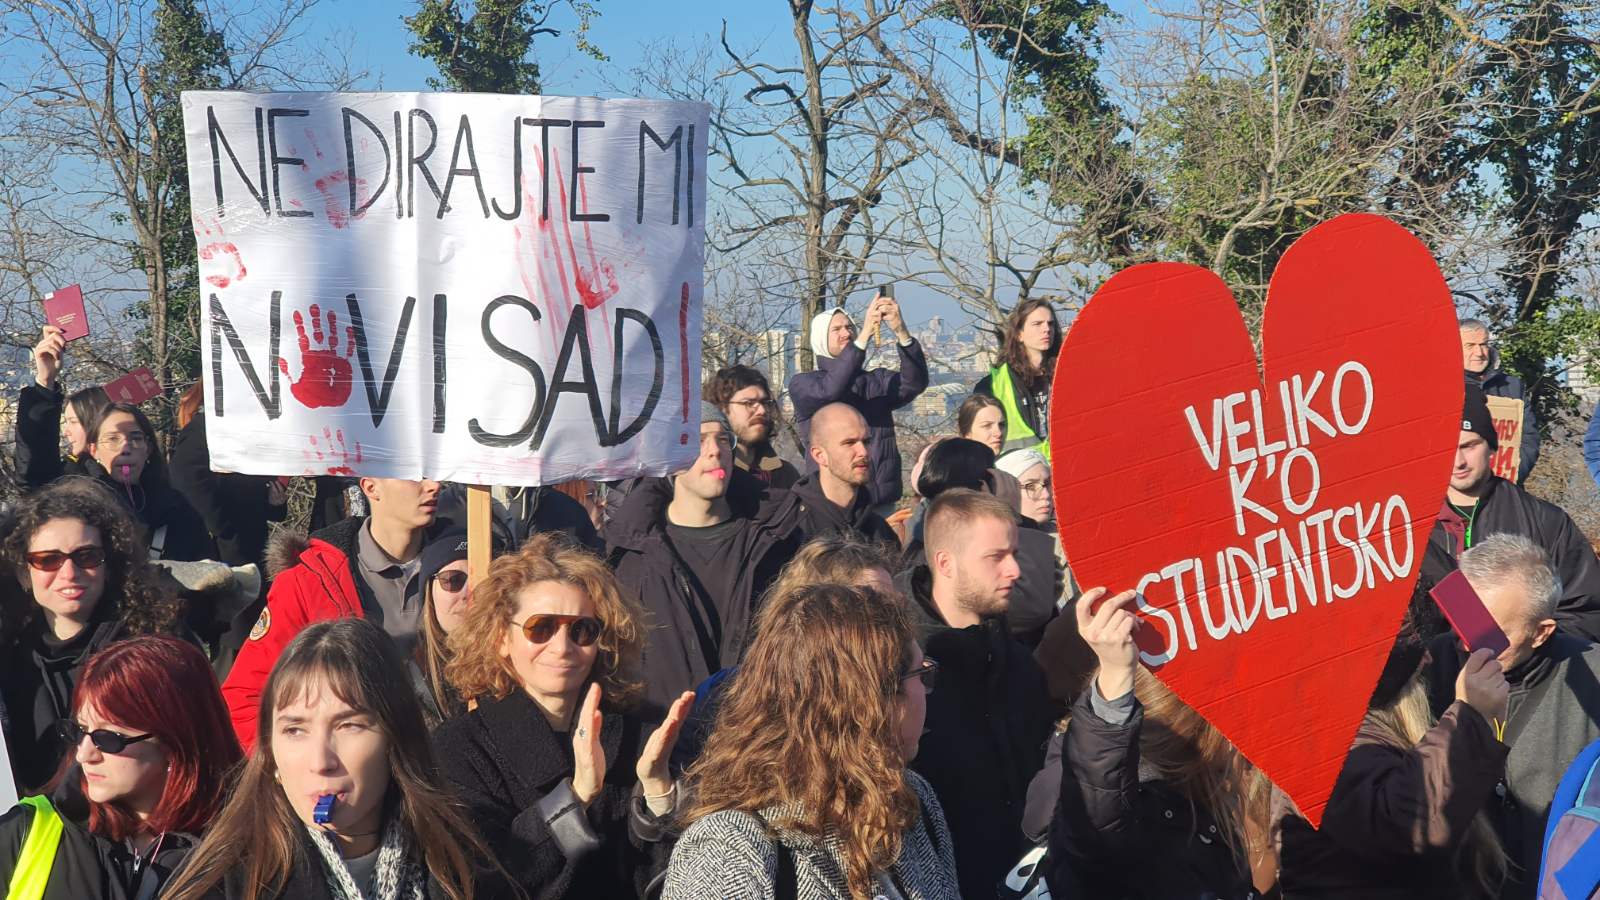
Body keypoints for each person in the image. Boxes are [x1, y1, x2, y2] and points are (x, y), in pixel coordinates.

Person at [162, 618, 500, 900]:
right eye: (295, 730)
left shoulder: (464, 866)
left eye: (349, 725)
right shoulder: (221, 884)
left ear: (396, 738)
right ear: (271, 754)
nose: (320, 761)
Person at [432, 534, 691, 898]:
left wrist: (660, 798)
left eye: (582, 630)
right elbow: (480, 882)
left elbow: (670, 880)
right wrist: (575, 797)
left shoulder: (641, 740)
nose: (563, 646)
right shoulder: (459, 748)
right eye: (542, 628)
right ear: (501, 639)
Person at [663, 582, 958, 899]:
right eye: (919, 674)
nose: (927, 690)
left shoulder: (909, 799)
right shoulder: (727, 850)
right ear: (869, 700)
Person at [1036, 589, 1275, 898]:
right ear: (1197, 727)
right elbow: (1096, 813)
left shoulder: (1197, 801)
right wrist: (1115, 676)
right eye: (1236, 717)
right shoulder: (1131, 811)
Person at [1276, 587, 1511, 898]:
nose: (1428, 657)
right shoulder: (1333, 750)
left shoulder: (1343, 730)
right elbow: (1410, 827)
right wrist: (1470, 718)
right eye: (1412, 647)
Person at [894, 489, 1060, 899]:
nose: (1015, 571)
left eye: (1014, 554)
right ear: (945, 563)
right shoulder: (900, 676)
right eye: (995, 557)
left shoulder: (1018, 664)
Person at [1423, 534, 1600, 899]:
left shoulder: (1593, 675)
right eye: (1461, 621)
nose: (1466, 644)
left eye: (1491, 633)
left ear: (1541, 632)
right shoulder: (1426, 669)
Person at [0, 635, 242, 899]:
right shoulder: (28, 830)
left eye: (109, 739)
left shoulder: (249, 851)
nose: (84, 755)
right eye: (80, 731)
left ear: (176, 743)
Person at [605, 403, 802, 720]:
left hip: (759, 745)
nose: (715, 451)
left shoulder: (777, 542)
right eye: (695, 440)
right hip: (660, 750)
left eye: (723, 439)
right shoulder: (632, 556)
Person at [223, 476, 445, 747]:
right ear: (371, 487)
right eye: (414, 477)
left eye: (433, 475)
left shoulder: (470, 569)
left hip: (451, 773)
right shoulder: (309, 580)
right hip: (345, 777)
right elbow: (245, 696)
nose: (434, 486)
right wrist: (289, 771)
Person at [0, 478, 184, 792]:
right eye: (48, 560)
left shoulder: (153, 649)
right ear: (23, 572)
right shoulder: (10, 656)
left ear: (109, 565)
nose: (69, 573)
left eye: (86, 557)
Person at [670, 533, 902, 772]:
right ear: (816, 610)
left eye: (893, 604)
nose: (892, 619)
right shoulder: (728, 697)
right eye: (872, 606)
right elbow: (695, 790)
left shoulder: (904, 689)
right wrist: (660, 795)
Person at [1422, 385, 1600, 642]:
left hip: (1524, 678)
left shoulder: (1546, 521)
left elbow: (1587, 610)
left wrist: (1528, 648)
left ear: (1491, 447)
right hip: (1438, 677)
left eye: (1469, 446)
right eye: (1447, 448)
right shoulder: (1412, 530)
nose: (1458, 461)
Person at [789, 293, 929, 512]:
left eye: (849, 327)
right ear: (819, 340)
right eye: (836, 330)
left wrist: (901, 332)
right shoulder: (804, 385)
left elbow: (913, 384)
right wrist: (863, 336)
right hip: (830, 504)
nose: (846, 333)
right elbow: (831, 390)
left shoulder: (875, 381)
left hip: (880, 502)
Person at [169, 382, 287, 569]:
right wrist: (221, 528)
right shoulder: (204, 426)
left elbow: (253, 486)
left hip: (252, 538)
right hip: (224, 547)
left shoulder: (251, 430)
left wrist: (275, 503)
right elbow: (188, 479)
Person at [78, 402, 213, 562]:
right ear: (93, 450)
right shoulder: (80, 505)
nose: (125, 448)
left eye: (135, 438)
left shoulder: (178, 508)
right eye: (113, 439)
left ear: (148, 448)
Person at [408, 528, 496, 730]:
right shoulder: (405, 681)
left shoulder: (521, 670)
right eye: (453, 580)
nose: (469, 593)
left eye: (482, 581)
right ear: (429, 593)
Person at [14, 324, 111, 491]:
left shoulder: (147, 484)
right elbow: (33, 470)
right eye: (66, 422)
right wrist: (45, 383)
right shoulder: (66, 484)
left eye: (73, 421)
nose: (66, 431)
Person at [790, 402, 899, 546]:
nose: (863, 452)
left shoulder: (880, 532)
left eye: (866, 442)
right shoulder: (792, 529)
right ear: (819, 455)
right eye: (849, 443)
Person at [975, 298, 1061, 459]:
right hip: (1017, 475)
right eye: (1037, 324)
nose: (1046, 329)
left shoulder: (1065, 376)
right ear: (1019, 334)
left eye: (1050, 324)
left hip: (1065, 472)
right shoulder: (993, 385)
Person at [1461, 318, 1538, 483]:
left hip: (1503, 489)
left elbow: (1528, 439)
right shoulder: (1440, 389)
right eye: (1470, 346)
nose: (1480, 353)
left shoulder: (1513, 386)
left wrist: (1508, 477)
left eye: (1483, 345)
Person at [706, 365, 800, 491]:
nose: (761, 410)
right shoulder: (708, 473)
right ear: (721, 408)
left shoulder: (785, 476)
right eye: (748, 403)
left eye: (764, 403)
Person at [957, 393, 1007, 458]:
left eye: (1001, 425)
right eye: (987, 425)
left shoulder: (1014, 462)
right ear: (967, 433)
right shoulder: (954, 466)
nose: (999, 433)